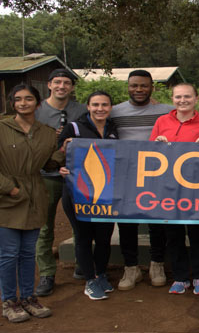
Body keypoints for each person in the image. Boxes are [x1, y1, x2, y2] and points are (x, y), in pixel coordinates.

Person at [0, 84, 64, 322]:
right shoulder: (2, 128)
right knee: (8, 254)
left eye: (29, 99)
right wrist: (11, 188)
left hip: (35, 196)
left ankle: (28, 297)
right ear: (12, 103)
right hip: (7, 198)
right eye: (18, 99)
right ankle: (9, 301)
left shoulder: (47, 133)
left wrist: (61, 153)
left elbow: (47, 163)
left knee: (28, 253)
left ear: (38, 104)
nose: (23, 103)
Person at [150, 83, 199, 294]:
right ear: (173, 99)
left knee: (197, 234)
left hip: (196, 189)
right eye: (178, 97)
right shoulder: (162, 121)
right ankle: (180, 277)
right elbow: (150, 154)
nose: (183, 100)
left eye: (187, 97)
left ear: (196, 98)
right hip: (168, 189)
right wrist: (157, 144)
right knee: (173, 235)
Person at [109, 70, 173, 291]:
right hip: (125, 177)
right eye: (134, 85)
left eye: (144, 86)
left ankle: (157, 264)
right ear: (127, 86)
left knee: (157, 222)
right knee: (127, 223)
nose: (139, 90)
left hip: (157, 176)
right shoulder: (114, 111)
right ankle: (131, 267)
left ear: (152, 87)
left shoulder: (166, 111)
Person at [58, 91, 118, 301]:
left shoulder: (113, 129)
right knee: (83, 237)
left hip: (105, 193)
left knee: (103, 237)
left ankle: (101, 274)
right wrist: (61, 167)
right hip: (77, 193)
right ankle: (90, 280)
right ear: (88, 106)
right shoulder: (73, 127)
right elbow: (56, 155)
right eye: (95, 105)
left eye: (104, 104)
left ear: (110, 107)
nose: (100, 108)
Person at [34, 69, 87, 297]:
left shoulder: (82, 110)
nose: (62, 86)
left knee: (80, 222)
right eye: (57, 82)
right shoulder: (37, 111)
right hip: (44, 175)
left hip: (76, 174)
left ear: (72, 87)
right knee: (44, 227)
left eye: (67, 83)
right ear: (49, 85)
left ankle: (82, 261)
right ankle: (47, 273)